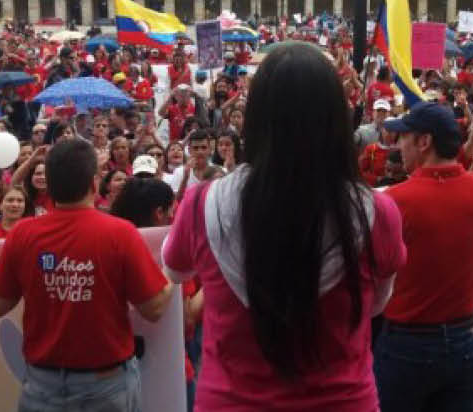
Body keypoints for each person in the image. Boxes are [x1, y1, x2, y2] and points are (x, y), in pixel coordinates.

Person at [161, 40, 406, 410]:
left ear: (257, 118)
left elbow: (173, 270)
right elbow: (375, 306)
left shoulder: (201, 205)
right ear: (335, 121)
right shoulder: (377, 213)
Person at [375, 39, 473, 410]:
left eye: (403, 138)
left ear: (425, 141)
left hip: (404, 348)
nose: (399, 146)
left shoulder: (391, 203)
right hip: (461, 348)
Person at [0, 138, 174, 410]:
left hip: (42, 384)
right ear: (93, 184)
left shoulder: (22, 234)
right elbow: (154, 307)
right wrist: (171, 271)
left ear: (48, 185)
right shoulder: (119, 233)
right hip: (105, 385)